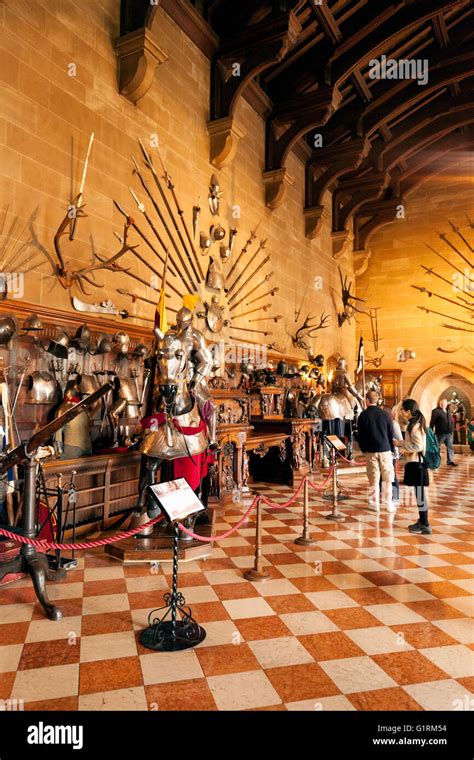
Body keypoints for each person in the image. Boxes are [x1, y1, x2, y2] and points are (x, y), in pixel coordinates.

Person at [394, 399, 431, 535]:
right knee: (419, 494)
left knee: (420, 495)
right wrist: (399, 443)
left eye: (402, 409)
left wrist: (402, 447)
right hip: (416, 463)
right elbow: (412, 442)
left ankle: (425, 525)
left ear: (408, 411)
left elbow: (418, 446)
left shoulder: (415, 426)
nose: (401, 412)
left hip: (417, 464)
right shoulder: (415, 424)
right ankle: (422, 521)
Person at [357, 390, 395, 513]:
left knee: (373, 478)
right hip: (385, 449)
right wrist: (392, 448)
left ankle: (375, 504)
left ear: (367, 400)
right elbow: (391, 433)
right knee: (387, 478)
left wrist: (364, 449)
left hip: (371, 451)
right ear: (377, 400)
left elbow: (360, 435)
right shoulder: (385, 414)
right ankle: (388, 503)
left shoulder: (363, 415)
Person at [430, 398, 457, 466]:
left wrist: (452, 430)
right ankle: (433, 461)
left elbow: (451, 420)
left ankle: (450, 461)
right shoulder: (435, 411)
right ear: (439, 404)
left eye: (444, 403)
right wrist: (431, 431)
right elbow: (432, 422)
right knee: (436, 447)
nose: (443, 405)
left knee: (450, 447)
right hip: (440, 434)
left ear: (446, 404)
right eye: (442, 403)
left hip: (449, 433)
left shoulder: (448, 411)